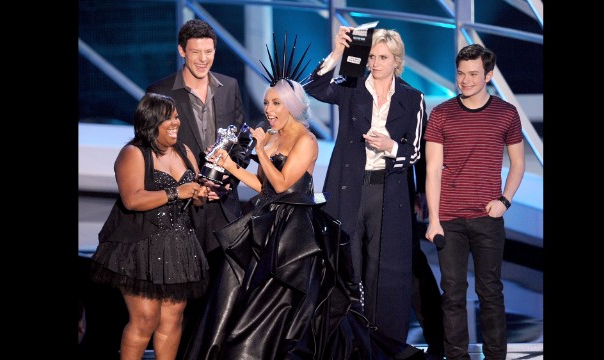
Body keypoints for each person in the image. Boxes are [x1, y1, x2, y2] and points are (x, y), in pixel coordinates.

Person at [180, 35, 425, 360]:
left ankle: (373, 343)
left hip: (304, 225)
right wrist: (230, 165)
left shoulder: (308, 139)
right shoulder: (350, 90)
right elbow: (265, 185)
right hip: (283, 214)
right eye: (266, 103)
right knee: (244, 291)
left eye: (276, 103)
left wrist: (390, 147)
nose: (268, 110)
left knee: (347, 284)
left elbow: (281, 185)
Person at [304, 26, 426, 343]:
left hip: (389, 189)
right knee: (349, 265)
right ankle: (348, 339)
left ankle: (384, 340)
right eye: (371, 56)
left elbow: (415, 150)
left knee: (384, 269)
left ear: (396, 60)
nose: (375, 62)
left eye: (382, 57)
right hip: (350, 186)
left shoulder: (413, 98)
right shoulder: (351, 87)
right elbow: (314, 87)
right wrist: (337, 53)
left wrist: (389, 146)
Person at [145, 19, 251, 357]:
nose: (203, 59)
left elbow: (241, 142)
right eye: (195, 52)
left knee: (221, 295)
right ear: (181, 52)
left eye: (208, 52)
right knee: (180, 300)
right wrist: (187, 184)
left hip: (222, 205)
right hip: (181, 209)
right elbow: (152, 150)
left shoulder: (230, 86)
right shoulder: (160, 91)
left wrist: (229, 179)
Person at [424, 43, 525, 360]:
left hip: (488, 217)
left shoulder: (506, 113)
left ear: (489, 75)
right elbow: (432, 169)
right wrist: (434, 219)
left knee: (490, 292)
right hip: (449, 219)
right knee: (452, 294)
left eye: (473, 74)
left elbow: (518, 164)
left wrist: (504, 201)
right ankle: (457, 358)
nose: (465, 80)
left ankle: (496, 357)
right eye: (460, 73)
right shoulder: (441, 114)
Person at [90, 93, 210, 359]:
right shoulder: (133, 153)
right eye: (169, 118)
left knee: (173, 318)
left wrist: (200, 196)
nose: (176, 123)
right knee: (145, 319)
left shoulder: (185, 151)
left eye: (176, 117)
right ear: (151, 121)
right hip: (139, 247)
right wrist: (178, 192)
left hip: (179, 247)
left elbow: (195, 199)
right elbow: (132, 200)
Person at [407, 121, 445, 360]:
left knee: (413, 265)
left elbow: (420, 139)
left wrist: (421, 190)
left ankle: (439, 337)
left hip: (400, 192)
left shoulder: (408, 96)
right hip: (360, 192)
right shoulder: (355, 89)